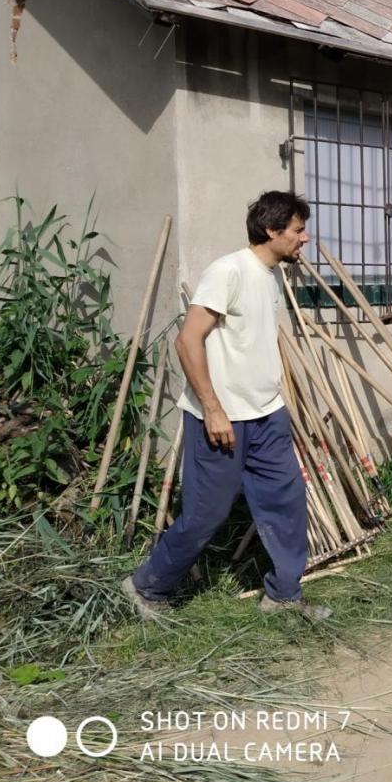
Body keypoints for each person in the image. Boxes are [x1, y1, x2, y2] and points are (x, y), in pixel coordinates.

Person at [121, 191, 329, 620]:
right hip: (222, 420)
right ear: (271, 231)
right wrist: (213, 409)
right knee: (206, 513)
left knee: (287, 501)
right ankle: (146, 587)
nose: (304, 238)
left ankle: (283, 596)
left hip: (268, 415)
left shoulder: (271, 276)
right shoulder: (229, 271)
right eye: (297, 230)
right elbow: (188, 340)